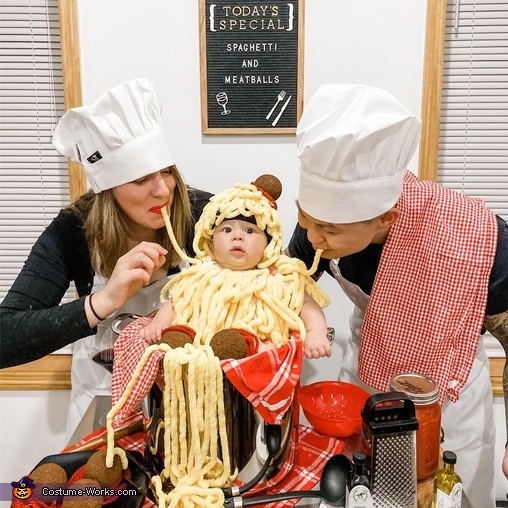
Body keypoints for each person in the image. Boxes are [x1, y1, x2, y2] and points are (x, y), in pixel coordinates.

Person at [287, 84, 508, 508]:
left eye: (330, 230)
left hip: (449, 391)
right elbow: (289, 283)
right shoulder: (318, 226)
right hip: (369, 369)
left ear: (384, 218)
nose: (313, 238)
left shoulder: (477, 238)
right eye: (305, 218)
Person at [0, 78, 212, 443]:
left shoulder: (203, 214)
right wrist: (103, 302)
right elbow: (5, 338)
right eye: (141, 179)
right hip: (101, 405)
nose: (162, 189)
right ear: (110, 187)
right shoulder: (74, 230)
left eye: (166, 171)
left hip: (189, 402)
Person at [140, 175, 332, 360]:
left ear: (268, 244)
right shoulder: (200, 275)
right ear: (211, 241)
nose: (237, 236)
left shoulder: (277, 278)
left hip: (255, 354)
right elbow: (176, 303)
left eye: (250, 231)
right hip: (200, 355)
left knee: (257, 346)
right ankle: (180, 345)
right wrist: (158, 324)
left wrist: (316, 332)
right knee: (175, 340)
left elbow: (306, 304)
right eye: (227, 230)